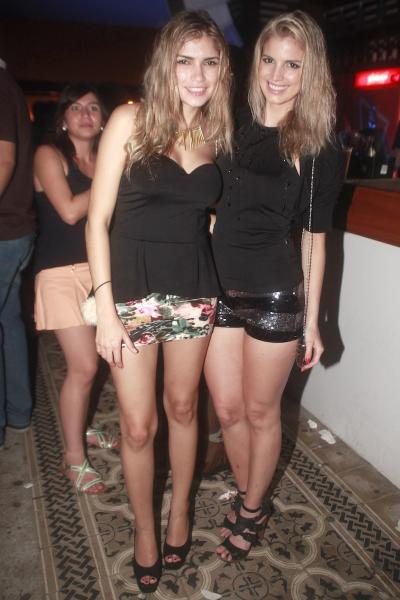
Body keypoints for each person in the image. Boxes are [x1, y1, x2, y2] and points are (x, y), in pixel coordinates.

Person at [85, 10, 232, 593]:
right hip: (131, 292)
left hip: (194, 289)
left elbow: (208, 215)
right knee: (138, 426)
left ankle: (180, 511)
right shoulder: (131, 119)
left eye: (209, 62)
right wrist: (105, 310)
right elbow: (97, 220)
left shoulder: (217, 133)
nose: (197, 75)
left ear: (221, 70)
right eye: (184, 60)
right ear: (164, 65)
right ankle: (145, 528)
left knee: (184, 408)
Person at [205, 10, 343, 562]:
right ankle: (250, 492)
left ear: (310, 73)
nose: (278, 75)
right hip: (217, 286)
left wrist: (312, 320)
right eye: (270, 60)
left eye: (293, 65)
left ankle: (252, 508)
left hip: (274, 295)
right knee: (228, 410)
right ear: (256, 61)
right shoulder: (230, 123)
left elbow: (313, 238)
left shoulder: (316, 146)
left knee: (261, 412)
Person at [33, 83, 116, 494]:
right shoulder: (48, 154)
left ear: (103, 120)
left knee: (99, 360)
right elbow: (68, 211)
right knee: (83, 367)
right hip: (60, 273)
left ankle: (80, 426)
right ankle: (73, 458)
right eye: (76, 107)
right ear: (63, 117)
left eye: (94, 108)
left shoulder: (104, 158)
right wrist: (112, 175)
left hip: (101, 270)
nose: (85, 115)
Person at [0, 58, 35, 449]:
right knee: (8, 319)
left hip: (5, 230)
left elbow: (4, 160)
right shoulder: (8, 84)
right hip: (15, 228)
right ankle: (19, 411)